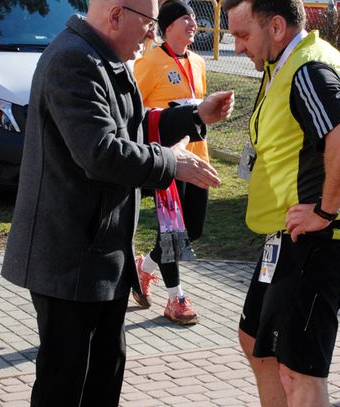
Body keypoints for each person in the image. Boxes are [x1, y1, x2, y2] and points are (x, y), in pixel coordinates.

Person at [0, 0, 234, 404]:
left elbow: (135, 126)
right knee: (66, 384)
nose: (153, 33)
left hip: (101, 256)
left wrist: (196, 114)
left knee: (104, 375)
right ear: (115, 16)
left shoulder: (105, 58)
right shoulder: (73, 61)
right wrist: (171, 163)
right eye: (149, 23)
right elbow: (101, 152)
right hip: (70, 260)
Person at [223, 0, 340, 405]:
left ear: (276, 27)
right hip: (285, 237)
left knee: (298, 372)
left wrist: (324, 211)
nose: (237, 47)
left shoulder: (309, 68)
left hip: (319, 242)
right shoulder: (283, 64)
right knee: (255, 341)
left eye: (243, 35)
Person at [132, 0, 207, 325]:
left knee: (193, 230)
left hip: (198, 157)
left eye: (194, 18)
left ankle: (144, 267)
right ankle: (176, 298)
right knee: (172, 232)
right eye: (185, 18)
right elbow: (132, 110)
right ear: (169, 25)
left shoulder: (199, 62)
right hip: (168, 161)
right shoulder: (150, 62)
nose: (193, 23)